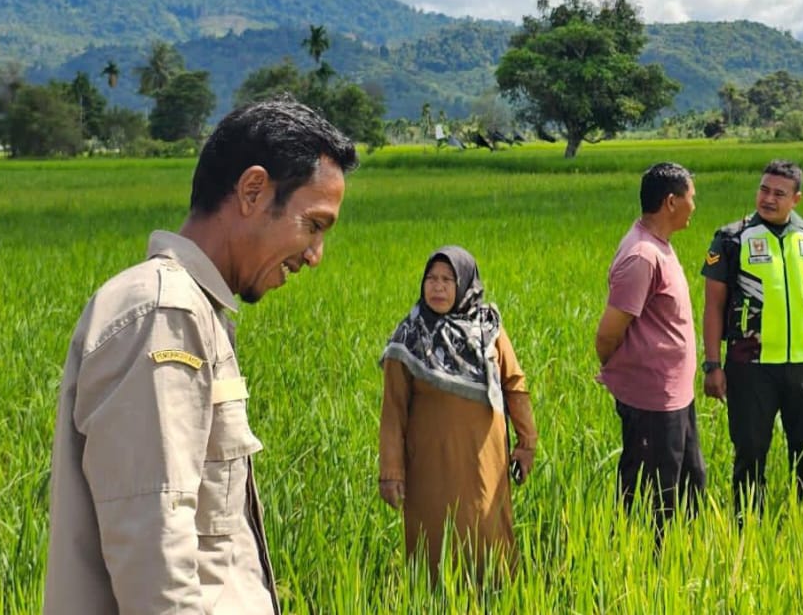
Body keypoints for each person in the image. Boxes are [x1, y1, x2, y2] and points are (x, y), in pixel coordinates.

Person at [44, 98, 358, 615]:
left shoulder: (195, 312)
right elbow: (154, 549)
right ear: (253, 191)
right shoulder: (164, 313)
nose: (315, 255)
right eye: (314, 225)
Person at [378, 246, 538, 582]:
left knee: (487, 535)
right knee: (433, 542)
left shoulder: (488, 329)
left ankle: (496, 598)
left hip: (485, 464)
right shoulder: (408, 337)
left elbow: (515, 385)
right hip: (429, 466)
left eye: (448, 279)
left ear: (464, 284)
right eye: (431, 279)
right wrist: (391, 471)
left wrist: (527, 442)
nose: (438, 287)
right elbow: (393, 411)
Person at [701, 159, 803, 520]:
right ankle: (748, 525)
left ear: (796, 198)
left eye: (779, 193)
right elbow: (713, 306)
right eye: (764, 189)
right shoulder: (732, 238)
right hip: (750, 368)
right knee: (750, 451)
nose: (768, 198)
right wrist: (712, 365)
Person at [595, 162, 706, 537]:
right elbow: (608, 334)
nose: (696, 204)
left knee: (688, 485)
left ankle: (681, 562)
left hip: (674, 396)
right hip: (652, 399)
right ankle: (642, 569)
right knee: (651, 497)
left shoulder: (659, 247)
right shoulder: (642, 256)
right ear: (671, 202)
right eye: (692, 197)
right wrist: (629, 374)